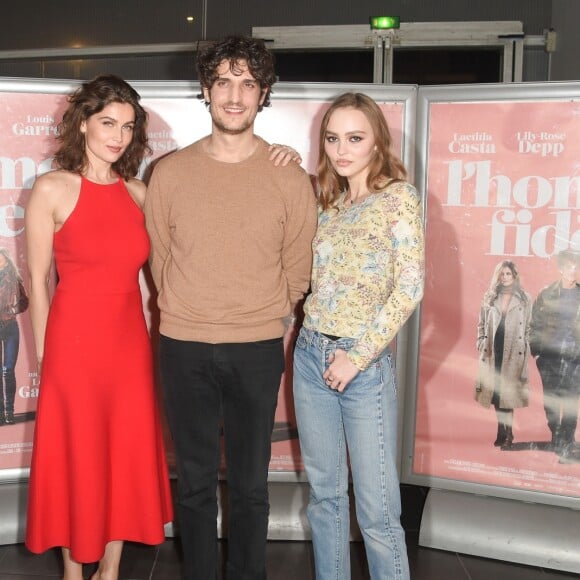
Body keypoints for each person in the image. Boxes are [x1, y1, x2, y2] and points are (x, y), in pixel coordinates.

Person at [144, 36, 317, 580]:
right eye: (223, 82)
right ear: (205, 90)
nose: (234, 96)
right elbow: (159, 257)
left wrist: (261, 312)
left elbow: (298, 266)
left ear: (263, 94)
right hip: (183, 346)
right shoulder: (169, 173)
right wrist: (191, 307)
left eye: (247, 84)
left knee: (249, 486)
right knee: (193, 484)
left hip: (257, 348)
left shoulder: (289, 176)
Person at [24, 74, 173, 580]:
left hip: (128, 347)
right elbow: (40, 284)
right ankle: (73, 571)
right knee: (79, 457)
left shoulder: (138, 193)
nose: (118, 135)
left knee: (120, 455)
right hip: (72, 349)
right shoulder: (51, 188)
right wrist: (48, 358)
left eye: (128, 127)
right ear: (83, 123)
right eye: (107, 122)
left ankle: (109, 572)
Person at [292, 92, 424, 580]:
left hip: (362, 367)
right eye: (332, 138)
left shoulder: (398, 198)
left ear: (376, 142)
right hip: (309, 356)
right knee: (325, 498)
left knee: (378, 510)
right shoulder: (328, 203)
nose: (341, 149)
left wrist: (357, 357)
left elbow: (409, 289)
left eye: (354, 138)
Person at [475, 260, 532, 448]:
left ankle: (508, 435)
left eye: (508, 274)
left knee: (507, 393)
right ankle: (502, 431)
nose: (505, 277)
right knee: (497, 394)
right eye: (502, 274)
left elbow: (530, 327)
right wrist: (481, 341)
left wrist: (526, 346)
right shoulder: (490, 297)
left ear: (514, 276)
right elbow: (481, 323)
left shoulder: (524, 299)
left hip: (514, 352)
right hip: (493, 349)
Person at [530, 249, 580, 462]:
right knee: (551, 402)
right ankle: (557, 435)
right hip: (549, 357)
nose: (574, 270)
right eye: (570, 266)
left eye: (576, 266)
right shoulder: (547, 293)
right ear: (561, 268)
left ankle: (566, 443)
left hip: (575, 357)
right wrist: (536, 352)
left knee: (570, 402)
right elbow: (535, 323)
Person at [0, 248, 29, 425]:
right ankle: (1, 414)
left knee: (8, 370)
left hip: (10, 325)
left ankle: (9, 411)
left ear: (6, 259)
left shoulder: (14, 278)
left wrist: (13, 309)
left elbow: (24, 301)